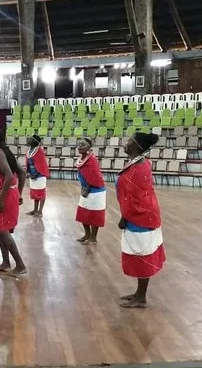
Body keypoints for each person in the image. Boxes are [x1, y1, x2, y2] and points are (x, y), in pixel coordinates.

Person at [117, 132, 166, 309]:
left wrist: (124, 216)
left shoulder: (138, 168)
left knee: (142, 256)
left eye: (130, 141)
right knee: (139, 255)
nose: (126, 143)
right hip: (139, 216)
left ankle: (141, 298)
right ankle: (139, 293)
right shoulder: (138, 163)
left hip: (140, 218)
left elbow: (135, 199)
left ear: (137, 146)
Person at [0, 128, 26, 276]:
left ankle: (20, 265)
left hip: (5, 195)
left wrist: (1, 199)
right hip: (8, 193)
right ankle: (6, 263)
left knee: (2, 230)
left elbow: (9, 176)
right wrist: (19, 193)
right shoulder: (3, 151)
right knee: (0, 230)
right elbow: (22, 172)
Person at [75, 138, 106, 245]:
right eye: (79, 144)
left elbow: (93, 176)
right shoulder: (82, 158)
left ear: (88, 147)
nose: (80, 146)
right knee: (83, 213)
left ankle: (93, 238)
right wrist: (83, 188)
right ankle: (87, 235)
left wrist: (87, 189)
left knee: (94, 215)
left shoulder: (91, 159)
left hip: (95, 190)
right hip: (86, 189)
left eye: (83, 145)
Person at [25, 134, 49, 217]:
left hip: (40, 175)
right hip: (32, 174)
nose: (28, 139)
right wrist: (29, 172)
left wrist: (36, 174)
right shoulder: (29, 150)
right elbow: (28, 163)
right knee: (35, 193)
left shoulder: (39, 150)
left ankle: (40, 211)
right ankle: (35, 210)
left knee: (41, 193)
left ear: (34, 141)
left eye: (30, 139)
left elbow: (41, 164)